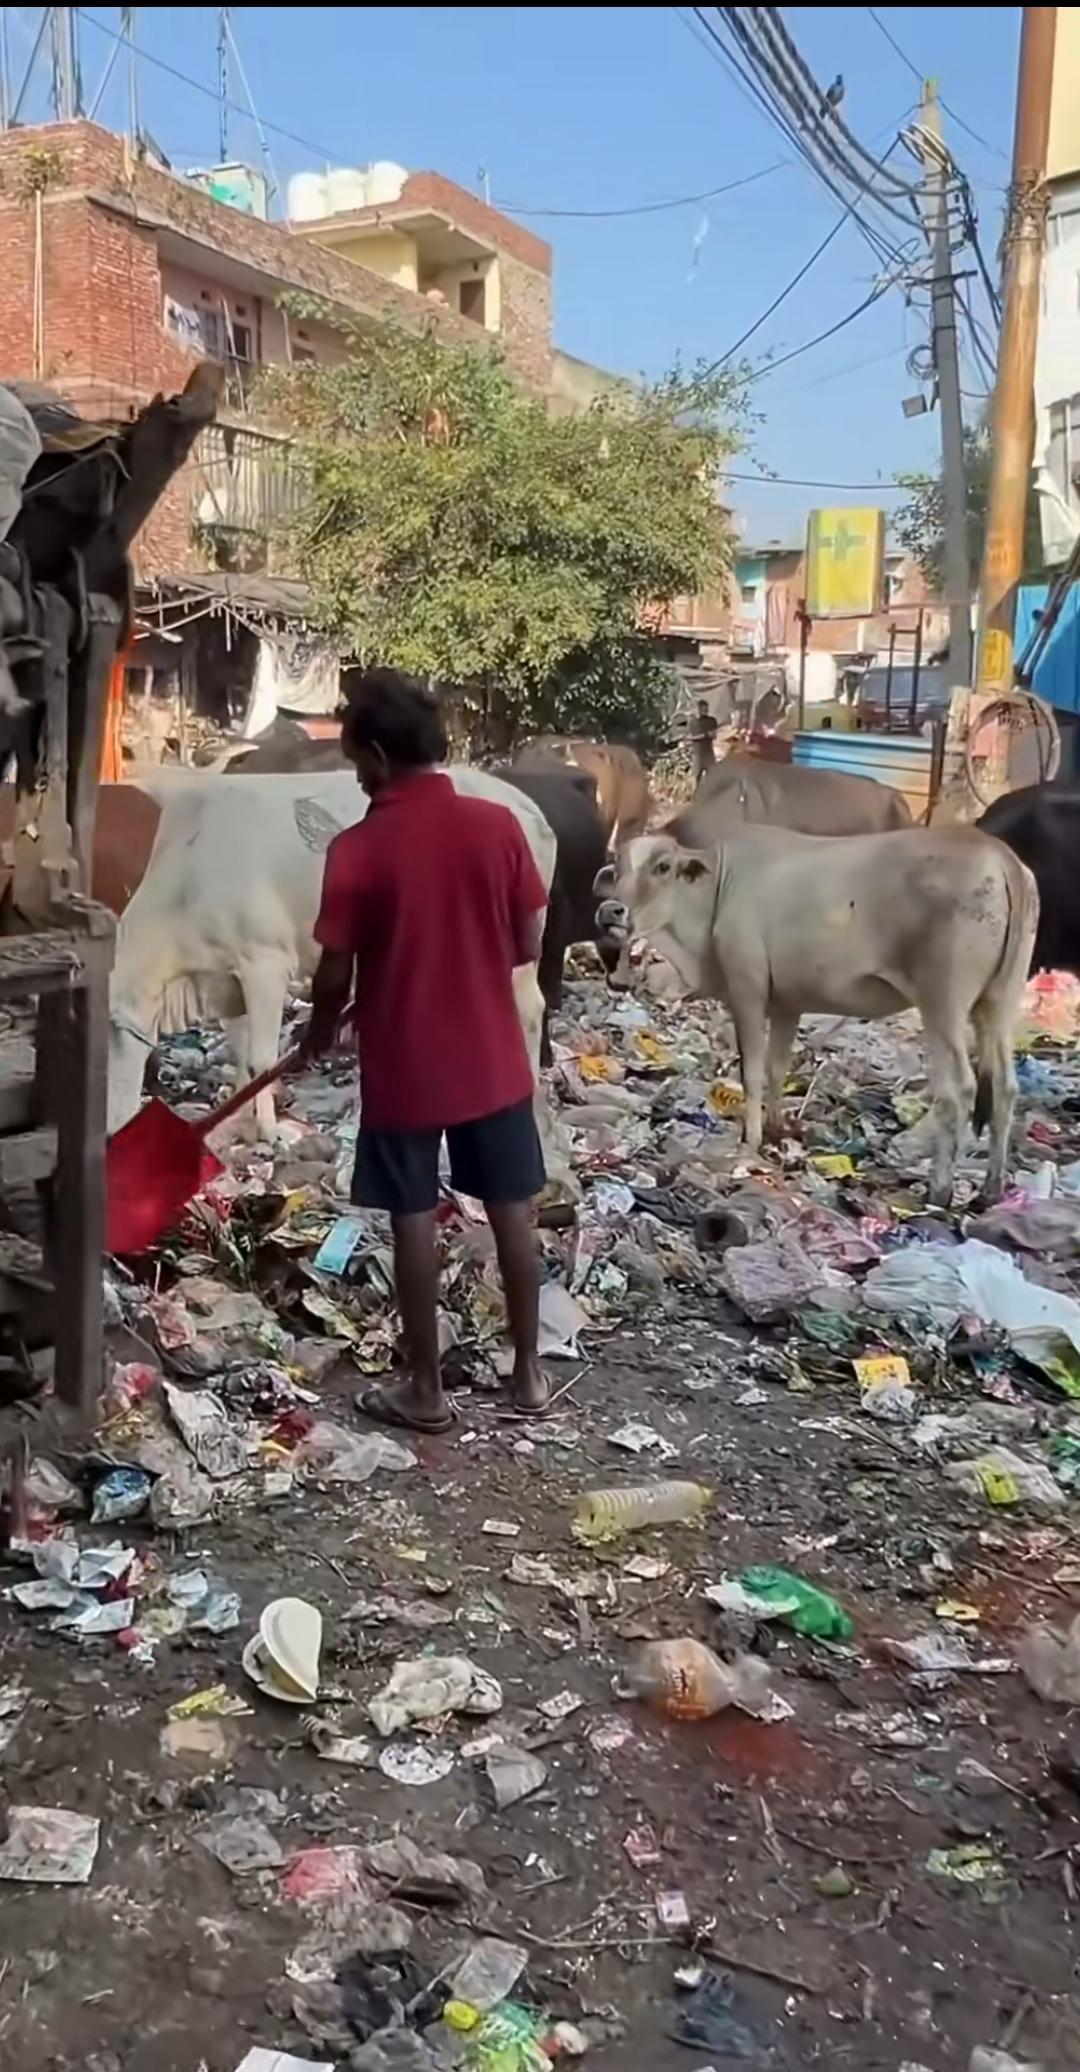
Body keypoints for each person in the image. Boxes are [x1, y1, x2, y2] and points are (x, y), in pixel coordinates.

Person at [302, 667, 551, 1432]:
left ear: (376, 755)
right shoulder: (496, 827)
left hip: (405, 1064)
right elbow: (528, 941)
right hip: (492, 1058)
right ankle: (530, 1374)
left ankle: (426, 1391)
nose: (354, 773)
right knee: (513, 1211)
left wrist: (322, 1026)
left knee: (413, 1216)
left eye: (353, 760)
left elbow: (335, 970)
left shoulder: (357, 850)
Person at [687, 697, 718, 787]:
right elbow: (688, 737)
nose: (705, 711)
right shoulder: (693, 722)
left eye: (706, 709)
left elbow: (713, 735)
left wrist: (702, 736)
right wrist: (705, 735)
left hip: (708, 753)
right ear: (698, 709)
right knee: (697, 777)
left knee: (712, 775)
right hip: (697, 753)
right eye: (703, 709)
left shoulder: (711, 721)